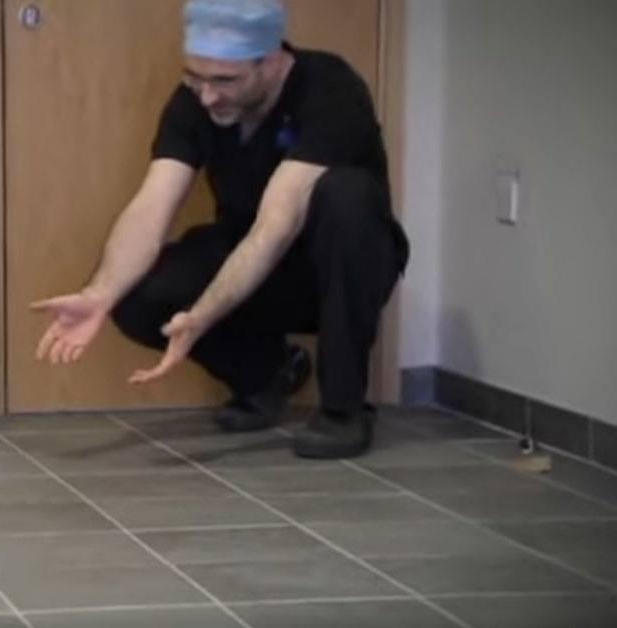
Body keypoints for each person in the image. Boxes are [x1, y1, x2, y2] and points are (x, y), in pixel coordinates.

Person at [31, 0, 409, 459]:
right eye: (196, 77)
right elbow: (152, 205)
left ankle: (344, 411)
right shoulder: (193, 101)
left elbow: (277, 224)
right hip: (248, 257)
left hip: (330, 268)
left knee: (348, 195)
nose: (207, 96)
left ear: (272, 61)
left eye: (225, 80)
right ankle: (267, 374)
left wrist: (203, 315)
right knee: (135, 292)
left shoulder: (329, 88)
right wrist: (100, 294)